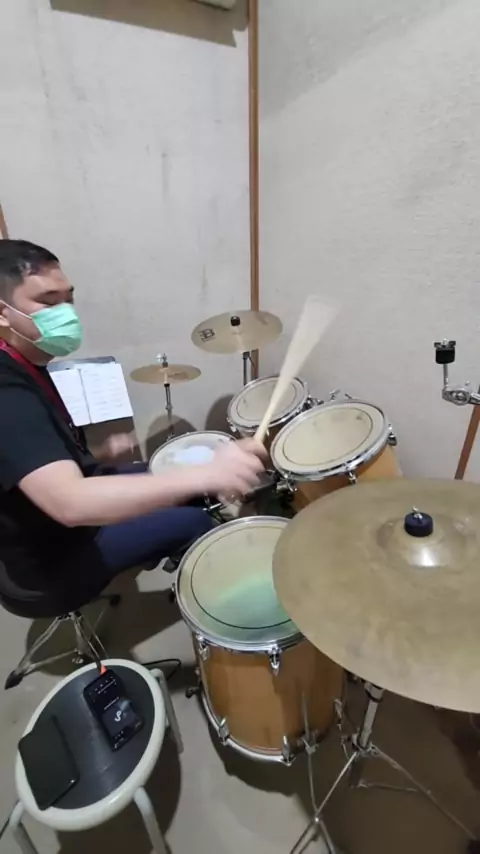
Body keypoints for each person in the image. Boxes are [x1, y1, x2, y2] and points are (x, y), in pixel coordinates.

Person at [0, 240, 265, 614]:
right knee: (194, 519)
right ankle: (227, 612)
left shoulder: (25, 361)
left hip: (47, 525)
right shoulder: (6, 388)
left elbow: (24, 457)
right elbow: (70, 503)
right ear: (3, 314)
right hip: (47, 565)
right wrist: (208, 475)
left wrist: (99, 454)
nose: (66, 313)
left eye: (69, 299)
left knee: (173, 476)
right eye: (48, 301)